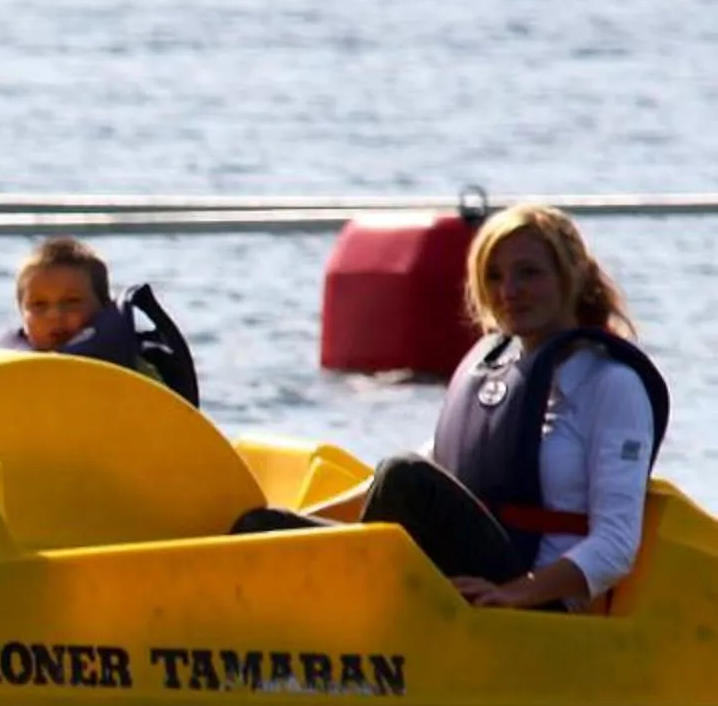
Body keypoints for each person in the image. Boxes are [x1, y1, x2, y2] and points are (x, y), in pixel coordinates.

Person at [237, 204, 668, 610]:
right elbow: (415, 476)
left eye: (529, 273)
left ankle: (349, 606)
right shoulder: (498, 374)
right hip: (473, 578)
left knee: (404, 475)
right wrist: (301, 522)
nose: (509, 291)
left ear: (572, 277)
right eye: (495, 276)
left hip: (537, 602)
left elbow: (615, 543)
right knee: (263, 528)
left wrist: (516, 592)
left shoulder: (611, 385)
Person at [0, 236, 200, 405]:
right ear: (21, 313)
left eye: (71, 301)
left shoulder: (134, 372)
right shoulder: (5, 373)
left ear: (104, 306)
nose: (55, 315)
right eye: (39, 305)